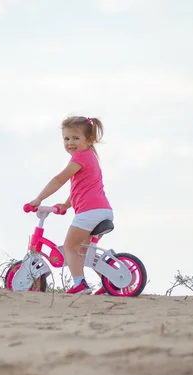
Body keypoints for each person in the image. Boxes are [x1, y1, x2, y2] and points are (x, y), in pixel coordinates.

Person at [28, 115, 113, 295]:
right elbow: (81, 189)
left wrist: (38, 200)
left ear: (89, 140)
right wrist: (66, 205)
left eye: (76, 138)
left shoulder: (80, 158)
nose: (70, 143)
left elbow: (59, 180)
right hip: (103, 210)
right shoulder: (89, 158)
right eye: (66, 139)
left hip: (90, 213)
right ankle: (110, 282)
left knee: (70, 247)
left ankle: (79, 283)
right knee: (85, 251)